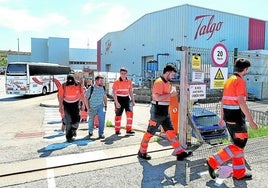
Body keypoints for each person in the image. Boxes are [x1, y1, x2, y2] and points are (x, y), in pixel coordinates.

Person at [207, 58, 258, 180]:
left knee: (237, 145)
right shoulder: (239, 81)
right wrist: (251, 121)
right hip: (236, 118)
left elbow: (223, 100)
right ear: (245, 69)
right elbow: (241, 101)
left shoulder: (229, 80)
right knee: (240, 144)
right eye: (247, 70)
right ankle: (213, 161)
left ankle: (239, 173)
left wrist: (222, 117)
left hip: (229, 117)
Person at [138, 64, 192, 160]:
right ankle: (142, 152)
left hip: (164, 111)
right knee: (150, 133)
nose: (173, 77)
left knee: (171, 132)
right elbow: (157, 97)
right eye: (172, 74)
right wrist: (170, 94)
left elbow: (169, 91)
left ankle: (179, 153)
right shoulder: (158, 82)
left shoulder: (168, 82)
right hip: (157, 111)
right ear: (167, 73)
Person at [58, 74, 88, 142]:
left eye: (72, 84)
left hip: (75, 103)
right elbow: (61, 97)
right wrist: (60, 106)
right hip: (67, 104)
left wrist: (83, 104)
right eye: (69, 84)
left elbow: (82, 94)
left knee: (77, 118)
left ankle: (74, 129)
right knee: (69, 120)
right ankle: (68, 137)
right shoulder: (63, 86)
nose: (71, 85)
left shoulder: (78, 85)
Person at [112, 67, 135, 135]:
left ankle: (128, 130)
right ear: (120, 73)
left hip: (127, 99)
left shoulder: (129, 81)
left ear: (126, 74)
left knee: (130, 114)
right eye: (122, 73)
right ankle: (117, 130)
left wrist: (133, 100)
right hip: (119, 99)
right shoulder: (116, 82)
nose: (123, 75)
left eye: (124, 73)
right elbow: (114, 93)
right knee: (118, 115)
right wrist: (116, 102)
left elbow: (131, 92)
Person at [86, 75, 107, 139]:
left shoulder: (103, 88)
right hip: (92, 107)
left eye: (102, 81)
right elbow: (86, 98)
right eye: (101, 81)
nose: (102, 82)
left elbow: (104, 97)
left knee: (102, 120)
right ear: (96, 81)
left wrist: (106, 105)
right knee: (91, 120)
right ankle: (90, 131)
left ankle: (101, 133)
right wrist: (88, 108)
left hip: (100, 106)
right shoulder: (91, 88)